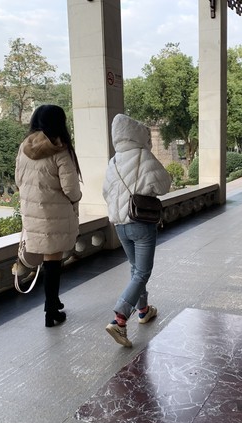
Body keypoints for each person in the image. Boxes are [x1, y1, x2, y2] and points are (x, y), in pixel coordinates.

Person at [102, 114, 171, 347]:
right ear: (137, 134)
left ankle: (143, 311)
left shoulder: (112, 162)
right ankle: (119, 319)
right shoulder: (144, 156)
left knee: (135, 270)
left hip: (120, 225)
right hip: (141, 222)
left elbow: (105, 192)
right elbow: (164, 184)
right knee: (142, 272)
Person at [15, 105, 82, 327]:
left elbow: (18, 181)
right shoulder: (60, 150)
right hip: (55, 215)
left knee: (48, 261)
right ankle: (51, 311)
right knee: (53, 262)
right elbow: (71, 189)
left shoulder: (24, 148)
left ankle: (54, 303)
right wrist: (76, 198)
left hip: (32, 213)